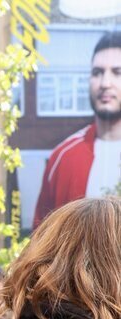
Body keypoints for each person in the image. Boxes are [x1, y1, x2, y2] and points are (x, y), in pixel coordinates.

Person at [33, 31, 121, 228]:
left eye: (117, 72)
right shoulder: (64, 157)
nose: (105, 83)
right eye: (97, 72)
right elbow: (40, 241)